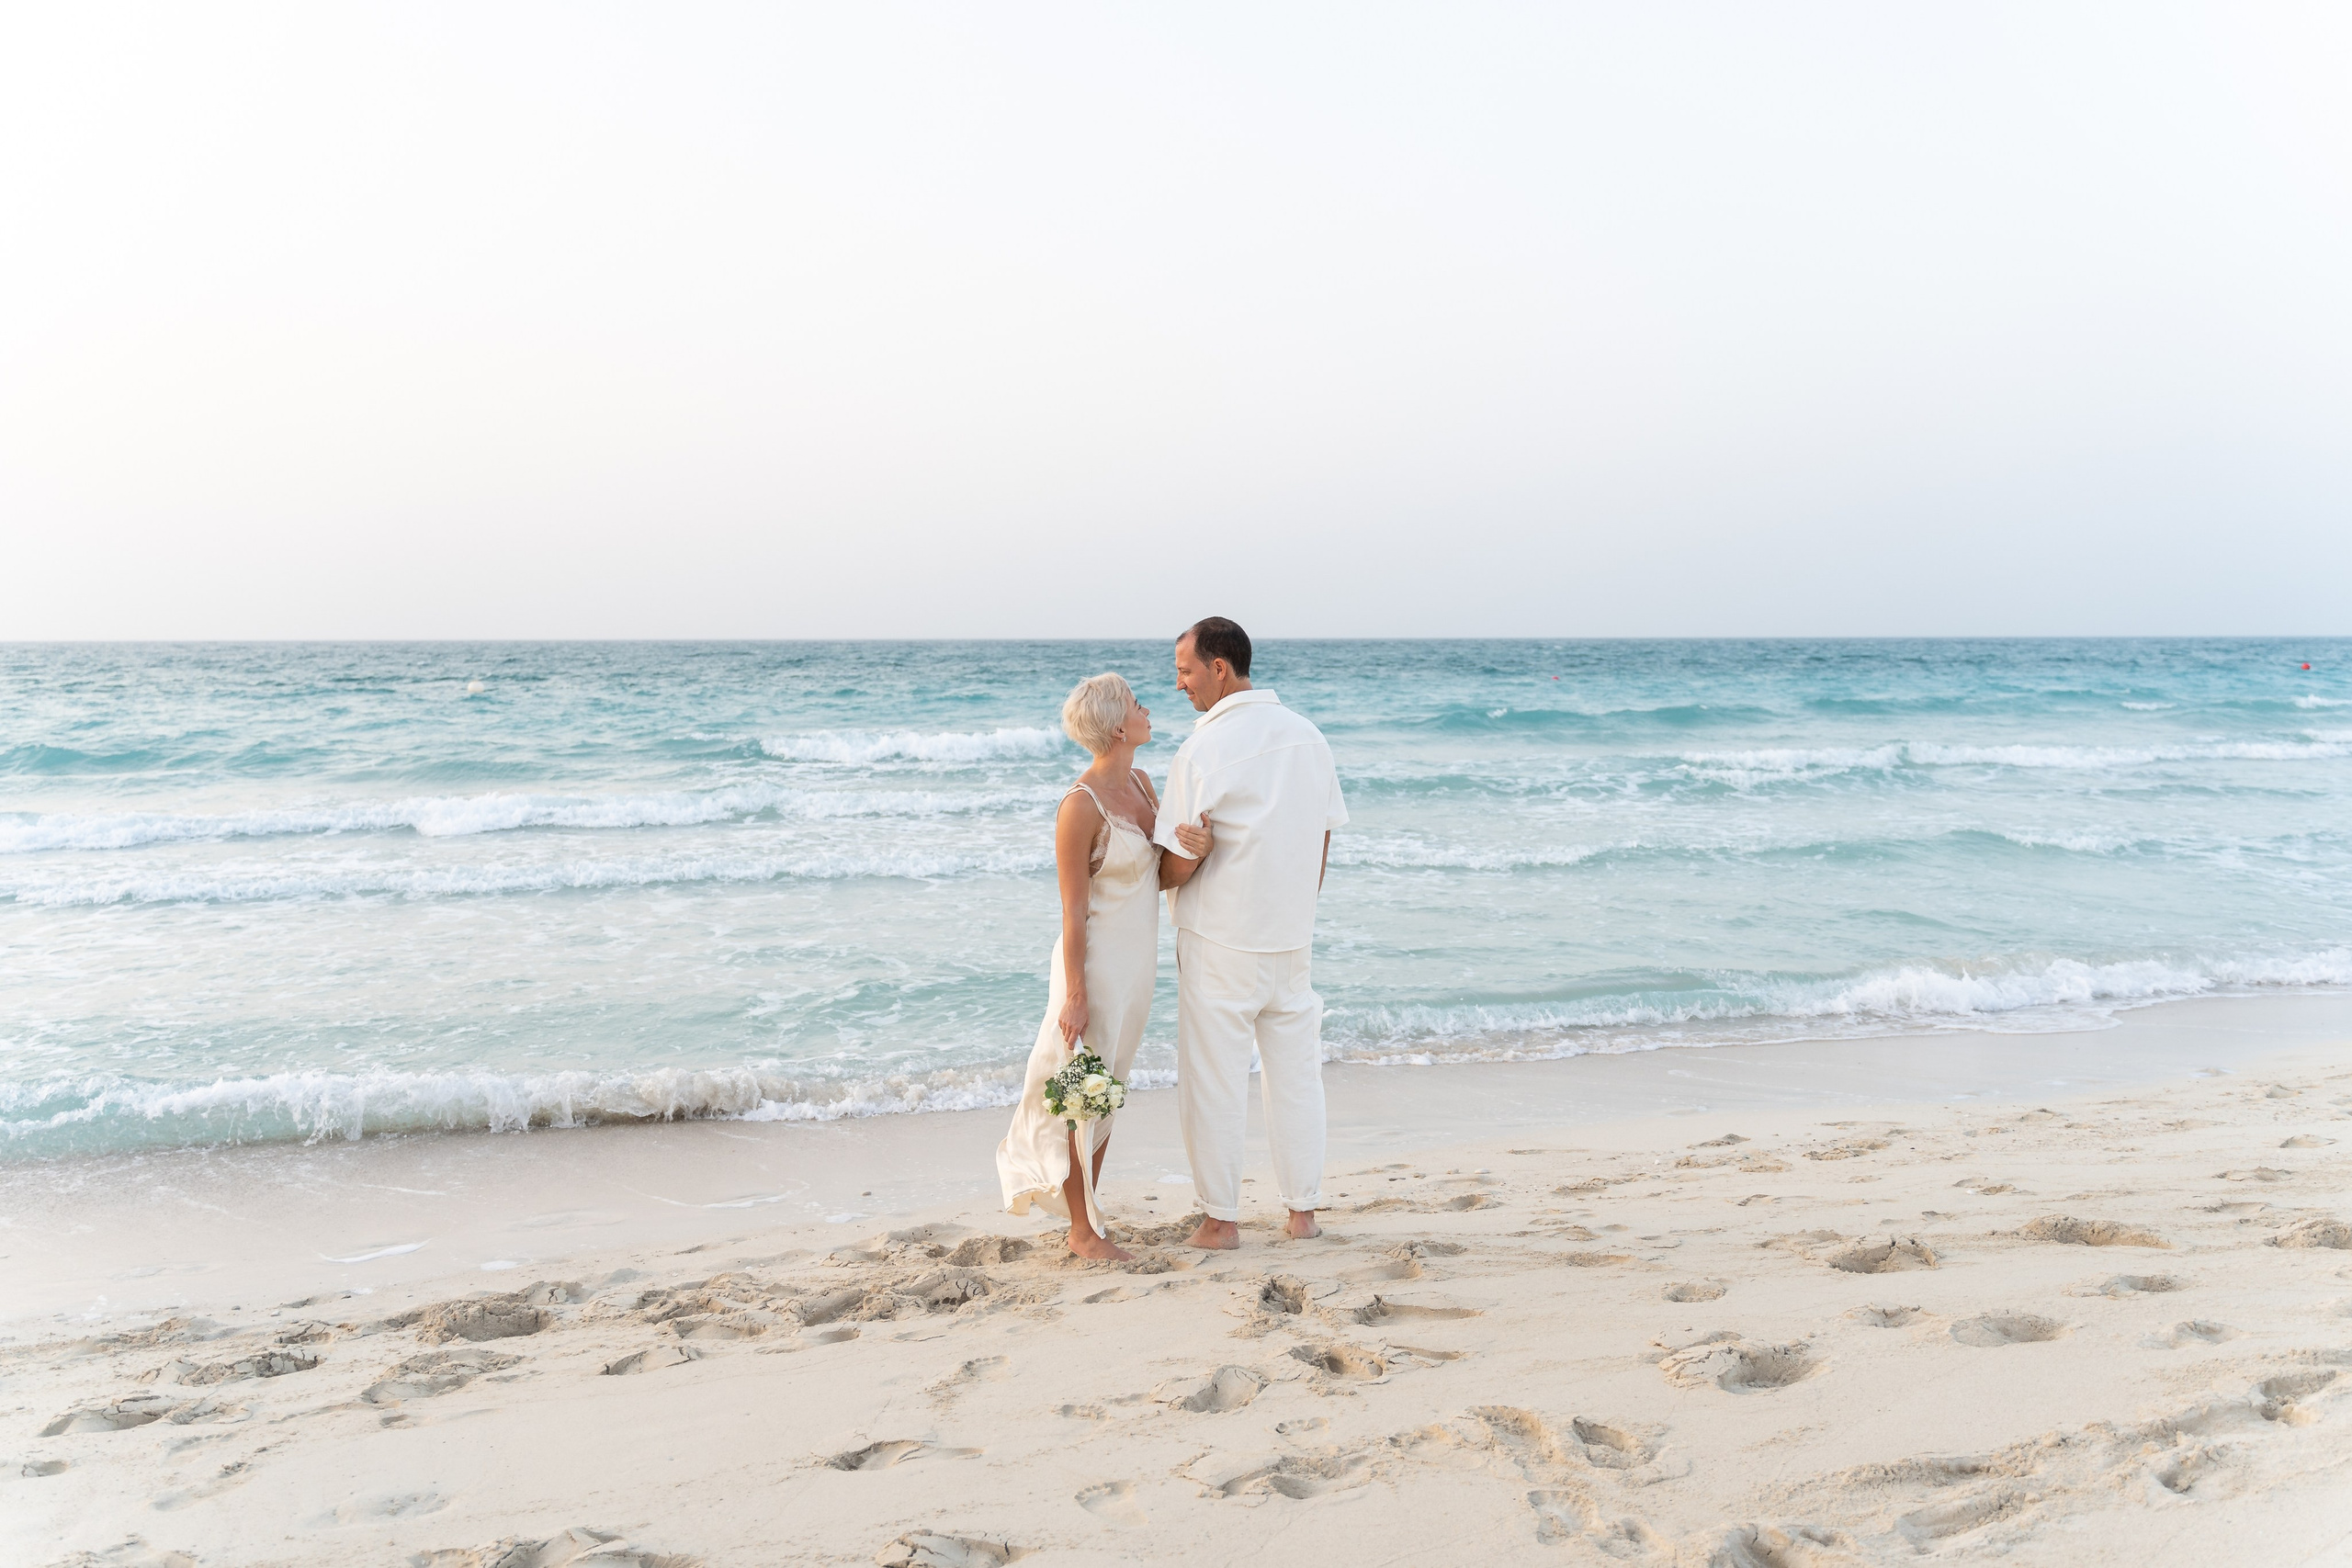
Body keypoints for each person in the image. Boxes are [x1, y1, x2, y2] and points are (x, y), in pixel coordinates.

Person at [997, 672, 1213, 1259]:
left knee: (1106, 1092)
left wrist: (1194, 852)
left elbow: (1160, 877)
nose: (1149, 709)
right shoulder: (1078, 807)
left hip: (1135, 972)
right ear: (1120, 726)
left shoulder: (1143, 785)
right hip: (1091, 970)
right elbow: (1072, 914)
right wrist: (1074, 994)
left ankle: (1088, 1214)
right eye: (1139, 704)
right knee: (1080, 1094)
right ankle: (1081, 1232)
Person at [1150, 618, 1347, 1249]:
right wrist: (1295, 912)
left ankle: (1220, 1220)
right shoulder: (1308, 737)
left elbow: (1167, 868)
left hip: (1220, 940)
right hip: (1290, 938)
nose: (1178, 684)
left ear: (1220, 668)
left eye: (1185, 670)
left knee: (1215, 1079)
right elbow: (1322, 837)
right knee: (1295, 1076)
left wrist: (1197, 855)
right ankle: (1303, 1213)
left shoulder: (1201, 751)